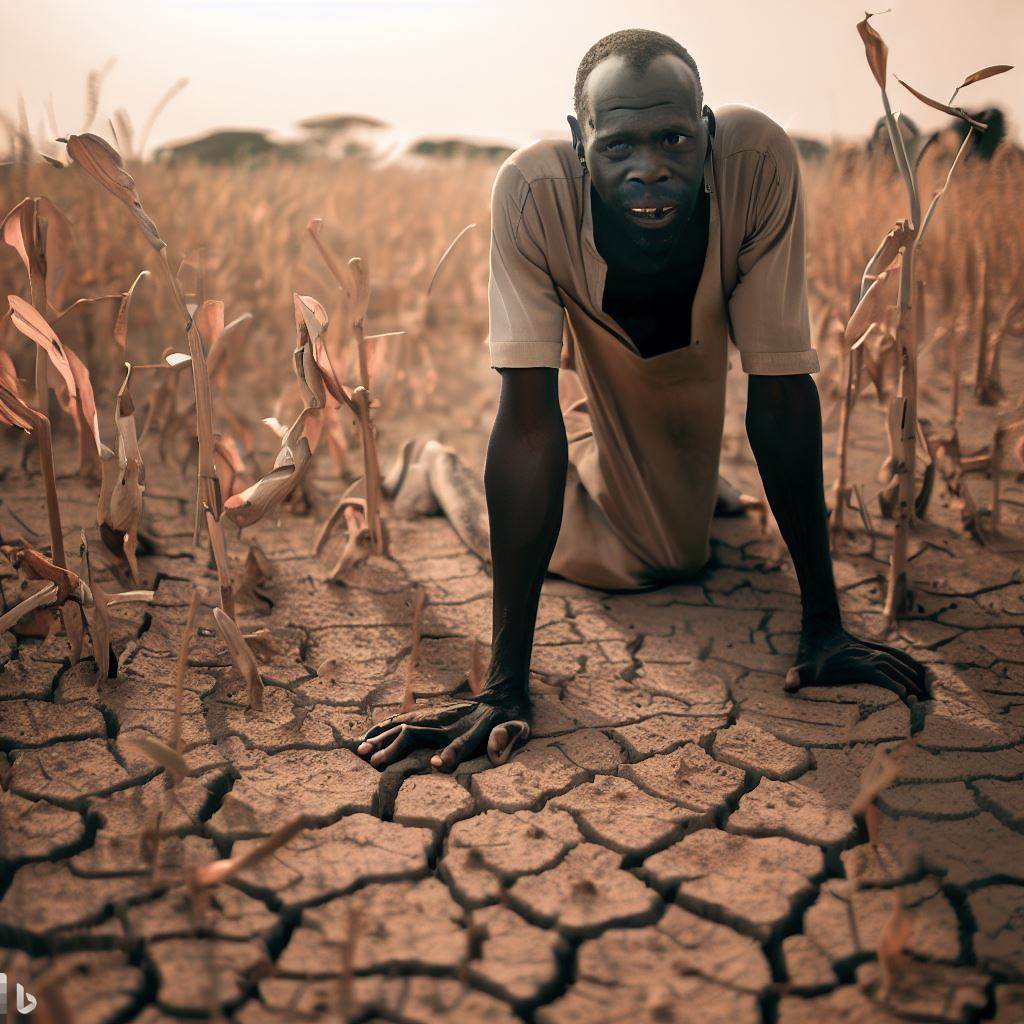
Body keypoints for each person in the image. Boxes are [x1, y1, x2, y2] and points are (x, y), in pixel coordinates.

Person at [357, 28, 928, 774]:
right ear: (578, 140)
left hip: (676, 399)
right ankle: (436, 467)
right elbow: (525, 419)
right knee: (647, 560)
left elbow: (782, 388)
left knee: (682, 546)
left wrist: (825, 627)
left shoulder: (756, 165)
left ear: (709, 131)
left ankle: (642, 462)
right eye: (619, 147)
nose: (650, 170)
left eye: (674, 139)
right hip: (587, 403)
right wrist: (505, 688)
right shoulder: (533, 193)